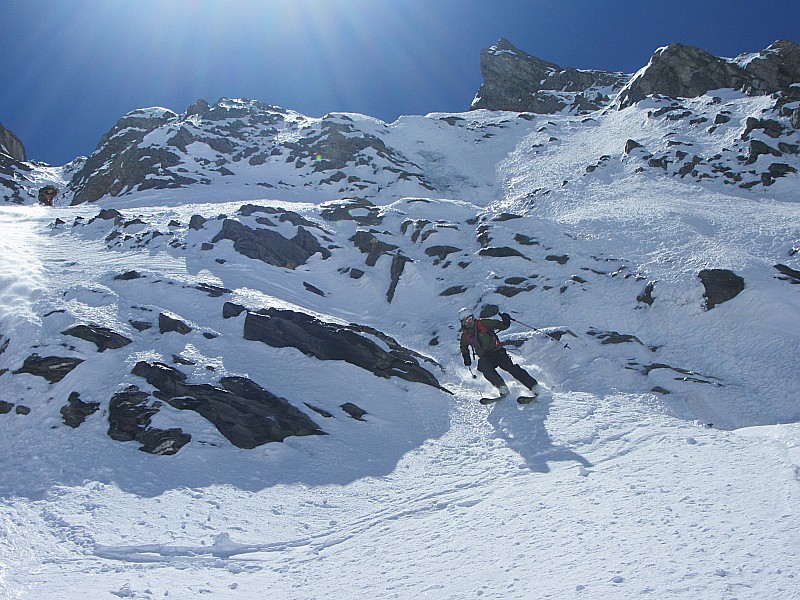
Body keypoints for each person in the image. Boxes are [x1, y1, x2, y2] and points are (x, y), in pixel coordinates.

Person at [459, 307, 538, 398]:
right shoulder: (465, 335)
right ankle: (501, 386)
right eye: (465, 322)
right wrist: (466, 356)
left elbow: (501, 325)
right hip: (485, 357)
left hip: (497, 351)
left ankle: (532, 385)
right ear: (462, 324)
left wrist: (505, 321)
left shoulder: (484, 323)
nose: (469, 322)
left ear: (473, 317)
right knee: (484, 367)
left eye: (469, 319)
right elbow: (463, 346)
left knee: (510, 367)